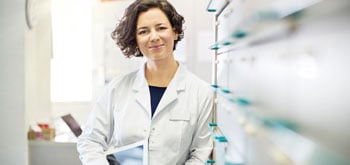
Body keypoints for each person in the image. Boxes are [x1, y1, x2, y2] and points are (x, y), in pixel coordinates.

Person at [77, 0, 214, 164]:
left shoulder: (201, 92)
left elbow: (200, 154)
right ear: (135, 39)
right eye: (143, 31)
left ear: (175, 31)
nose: (154, 37)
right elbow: (90, 141)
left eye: (161, 28)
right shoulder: (117, 88)